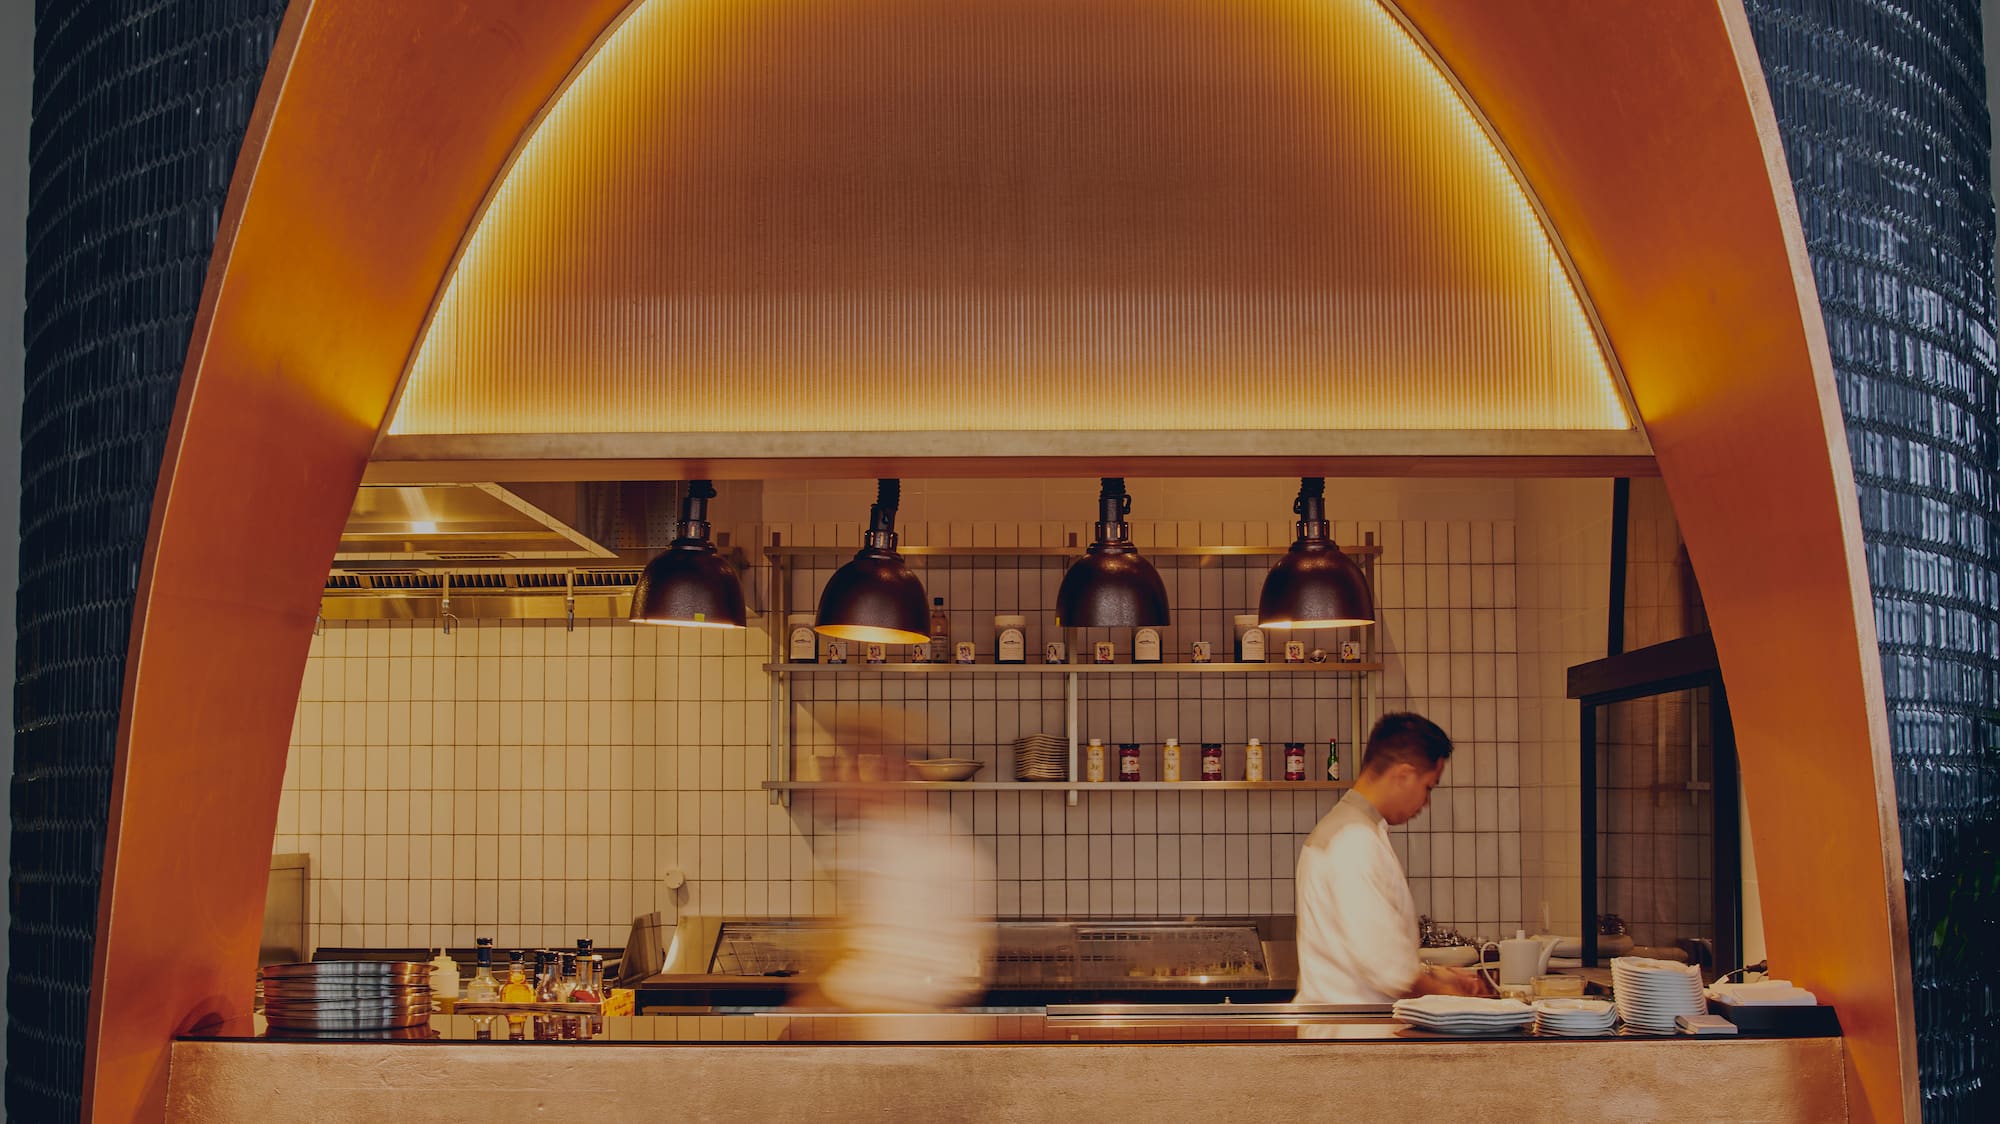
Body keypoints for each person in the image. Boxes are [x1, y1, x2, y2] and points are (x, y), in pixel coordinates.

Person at [1293, 712, 1489, 1003]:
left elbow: (1370, 951)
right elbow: (1389, 971)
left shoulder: (1353, 831)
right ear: (1404, 775)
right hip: (1352, 1038)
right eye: (1428, 787)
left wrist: (1434, 974)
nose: (1425, 803)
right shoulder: (1353, 842)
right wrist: (1462, 1002)